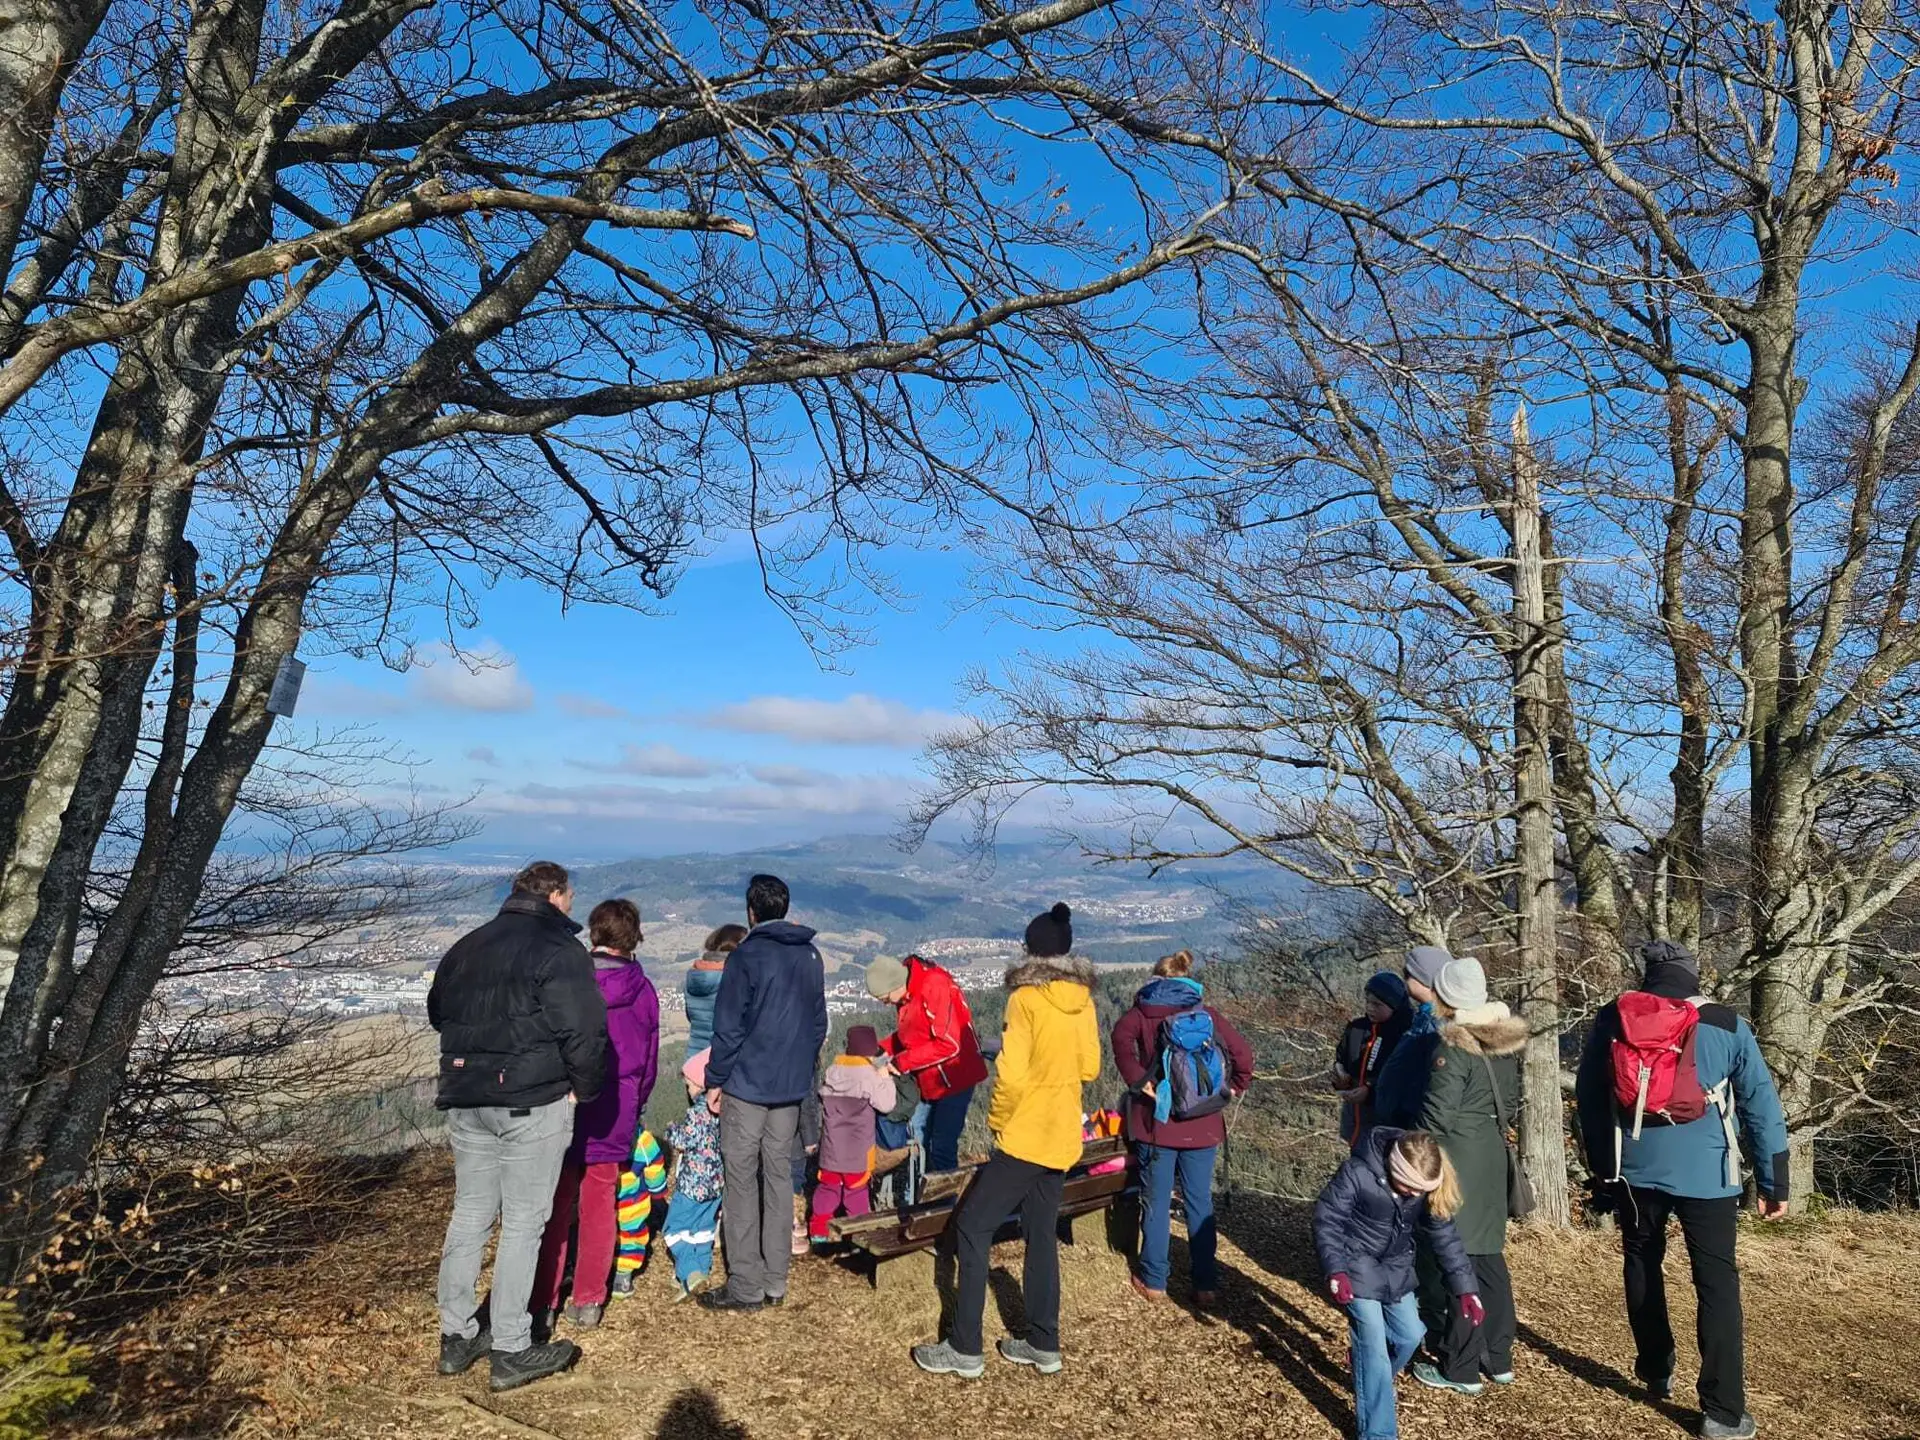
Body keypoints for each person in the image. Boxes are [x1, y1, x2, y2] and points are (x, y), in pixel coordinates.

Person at [1575, 940, 1790, 1440]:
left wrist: (1606, 1173)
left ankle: (1655, 1367)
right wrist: (1774, 1181)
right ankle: (1722, 1411)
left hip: (1635, 1168)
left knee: (1641, 1260)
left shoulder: (1613, 1018)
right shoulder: (1725, 1022)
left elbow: (1590, 1098)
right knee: (1716, 1282)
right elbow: (1761, 1104)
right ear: (1693, 976)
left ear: (1648, 973)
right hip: (1709, 1173)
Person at [429, 860, 608, 1393]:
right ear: (556, 894)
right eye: (570, 895)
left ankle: (456, 1336)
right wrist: (583, 1088)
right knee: (525, 1222)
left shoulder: (467, 945)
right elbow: (585, 1031)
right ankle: (510, 1345)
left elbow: (441, 1012)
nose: (572, 903)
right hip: (532, 1099)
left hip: (467, 1096)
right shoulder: (559, 950)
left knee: (470, 1215)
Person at [913, 902, 1101, 1380]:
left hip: (1025, 1136)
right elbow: (1089, 1068)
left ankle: (964, 1347)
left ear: (1031, 952)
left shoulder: (1026, 999)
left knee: (973, 1227)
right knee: (1041, 1234)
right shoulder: (1082, 999)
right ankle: (1043, 1342)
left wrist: (999, 1121)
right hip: (1061, 1136)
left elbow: (1011, 1075)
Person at [698, 873, 828, 1313]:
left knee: (741, 1182)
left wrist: (715, 1080)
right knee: (777, 1179)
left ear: (751, 912)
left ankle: (746, 1285)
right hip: (789, 1090)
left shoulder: (748, 957)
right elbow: (817, 1027)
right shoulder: (810, 956)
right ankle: (775, 1281)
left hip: (746, 1086)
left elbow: (728, 1028)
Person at [530, 898, 660, 1331]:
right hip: (616, 1107)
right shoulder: (643, 991)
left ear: (594, 933)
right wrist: (635, 1104)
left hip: (565, 1101)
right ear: (633, 937)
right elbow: (649, 1060)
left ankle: (543, 1299)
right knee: (600, 1202)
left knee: (556, 1202)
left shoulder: (571, 980)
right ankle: (587, 1300)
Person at [1314, 1128, 1484, 1440]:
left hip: (1396, 1265)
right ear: (1394, 1168)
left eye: (1421, 1191)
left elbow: (1444, 1236)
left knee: (1410, 1335)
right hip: (1355, 1264)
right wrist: (1335, 1270)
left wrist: (1466, 1289)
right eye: (1410, 1187)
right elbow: (1327, 1218)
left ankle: (1370, 1375)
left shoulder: (1422, 1188)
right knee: (1374, 1344)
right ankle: (1379, 1432)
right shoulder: (1357, 1172)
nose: (1414, 1195)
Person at [1407, 955, 1526, 1396]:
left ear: (1446, 997)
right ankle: (1498, 1357)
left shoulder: (1453, 1046)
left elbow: (1436, 1117)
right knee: (1489, 1259)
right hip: (1492, 1157)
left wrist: (1409, 1151)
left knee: (1459, 1261)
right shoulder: (1503, 1043)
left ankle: (1459, 1366)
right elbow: (1508, 1108)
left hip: (1459, 1163)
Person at [1110, 948, 1254, 1307]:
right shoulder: (1206, 1014)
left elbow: (1120, 1044)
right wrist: (1232, 1088)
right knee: (1199, 1202)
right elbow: (1243, 1056)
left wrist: (1136, 1081)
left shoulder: (1140, 1014)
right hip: (1204, 1122)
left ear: (1156, 979)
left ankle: (1155, 1280)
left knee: (1156, 1202)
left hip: (1156, 1124)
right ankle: (1205, 1284)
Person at [865, 951, 990, 1173]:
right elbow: (912, 1034)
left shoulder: (933, 986)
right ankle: (921, 1193)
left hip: (955, 1077)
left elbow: (949, 1043)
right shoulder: (907, 994)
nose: (885, 1004)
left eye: (883, 998)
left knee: (941, 1146)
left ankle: (944, 1200)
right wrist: (880, 1049)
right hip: (928, 1078)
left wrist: (902, 1062)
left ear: (893, 986)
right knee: (917, 1141)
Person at [811, 1025, 897, 1241]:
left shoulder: (833, 1071)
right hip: (858, 1152)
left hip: (830, 1151)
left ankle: (819, 1230)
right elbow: (887, 1104)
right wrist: (885, 1075)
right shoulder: (869, 1077)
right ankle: (859, 1236)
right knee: (856, 1192)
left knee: (827, 1188)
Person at [663, 1049, 724, 1301]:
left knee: (675, 1229)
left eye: (688, 1084)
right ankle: (702, 1269)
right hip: (715, 1185)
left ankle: (690, 1272)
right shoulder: (724, 1110)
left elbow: (683, 1140)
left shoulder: (697, 1113)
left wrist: (670, 1131)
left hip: (691, 1186)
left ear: (699, 1083)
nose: (687, 1089)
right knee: (703, 1230)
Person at [1370, 945, 1450, 1130]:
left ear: (1426, 979)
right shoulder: (1422, 1019)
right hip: (1401, 1120)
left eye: (1408, 974)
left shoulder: (1435, 1025)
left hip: (1409, 1124)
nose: (1404, 979)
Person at [1332, 972, 1412, 1150]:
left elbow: (1400, 1079)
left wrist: (1370, 1091)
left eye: (1377, 1004)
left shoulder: (1404, 1034)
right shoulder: (1356, 1029)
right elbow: (1341, 1059)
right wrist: (1340, 1075)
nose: (1370, 1008)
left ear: (1394, 1006)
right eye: (1368, 1002)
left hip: (1387, 1125)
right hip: (1354, 1122)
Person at [685, 924, 743, 1060]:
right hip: (722, 1061)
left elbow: (690, 1016)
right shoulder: (731, 979)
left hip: (694, 1058)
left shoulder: (692, 976)